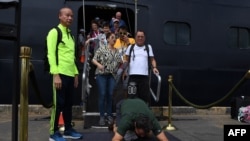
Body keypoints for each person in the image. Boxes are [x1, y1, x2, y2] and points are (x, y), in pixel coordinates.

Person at [46, 7, 83, 141]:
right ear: (59, 16)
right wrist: (55, 74)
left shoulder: (71, 35)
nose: (70, 18)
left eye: (72, 16)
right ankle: (53, 132)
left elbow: (72, 57)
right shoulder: (54, 32)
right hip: (59, 74)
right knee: (58, 104)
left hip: (69, 74)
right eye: (67, 15)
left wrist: (76, 74)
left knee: (68, 104)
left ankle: (67, 129)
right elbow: (51, 54)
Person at [92, 32, 123, 126]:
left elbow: (121, 62)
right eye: (112, 37)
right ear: (108, 39)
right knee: (102, 94)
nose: (114, 39)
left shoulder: (117, 51)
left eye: (115, 38)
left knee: (110, 95)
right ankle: (102, 116)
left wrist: (122, 69)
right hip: (101, 75)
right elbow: (93, 59)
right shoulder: (102, 49)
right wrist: (99, 65)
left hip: (112, 76)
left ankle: (109, 115)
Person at [123, 30, 159, 105]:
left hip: (144, 78)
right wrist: (124, 71)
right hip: (133, 77)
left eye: (142, 37)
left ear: (144, 38)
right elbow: (126, 60)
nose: (140, 38)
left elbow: (152, 59)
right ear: (135, 37)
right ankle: (133, 115)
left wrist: (154, 67)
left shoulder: (148, 47)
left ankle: (144, 115)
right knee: (131, 97)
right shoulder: (130, 47)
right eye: (138, 36)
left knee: (144, 98)